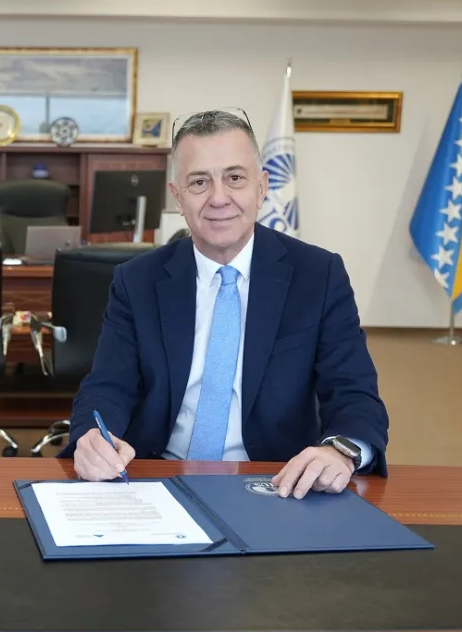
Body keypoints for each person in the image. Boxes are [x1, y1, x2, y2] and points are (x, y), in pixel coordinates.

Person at [64, 109, 388, 499]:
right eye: (199, 182)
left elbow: (354, 391)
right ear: (178, 197)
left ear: (262, 187)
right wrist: (92, 437)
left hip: (277, 482)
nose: (219, 198)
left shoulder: (318, 275)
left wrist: (340, 451)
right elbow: (107, 385)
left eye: (235, 178)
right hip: (154, 477)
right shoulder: (137, 280)